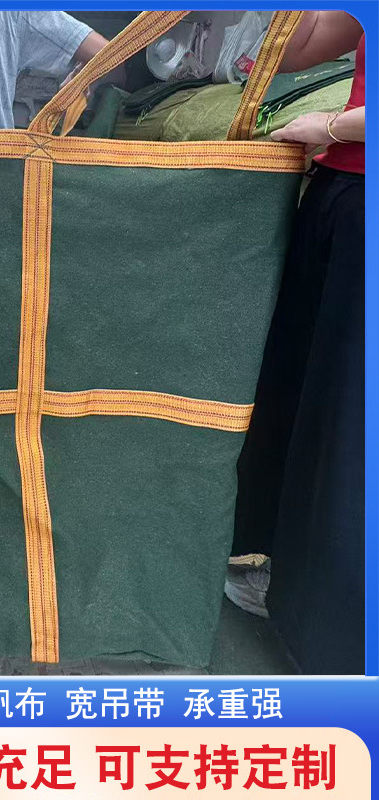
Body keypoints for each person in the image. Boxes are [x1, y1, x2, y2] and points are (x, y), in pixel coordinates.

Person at [226, 12, 364, 673]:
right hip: (342, 191)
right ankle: (295, 588)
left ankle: (335, 632)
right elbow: (301, 46)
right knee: (308, 395)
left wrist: (333, 126)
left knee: (347, 418)